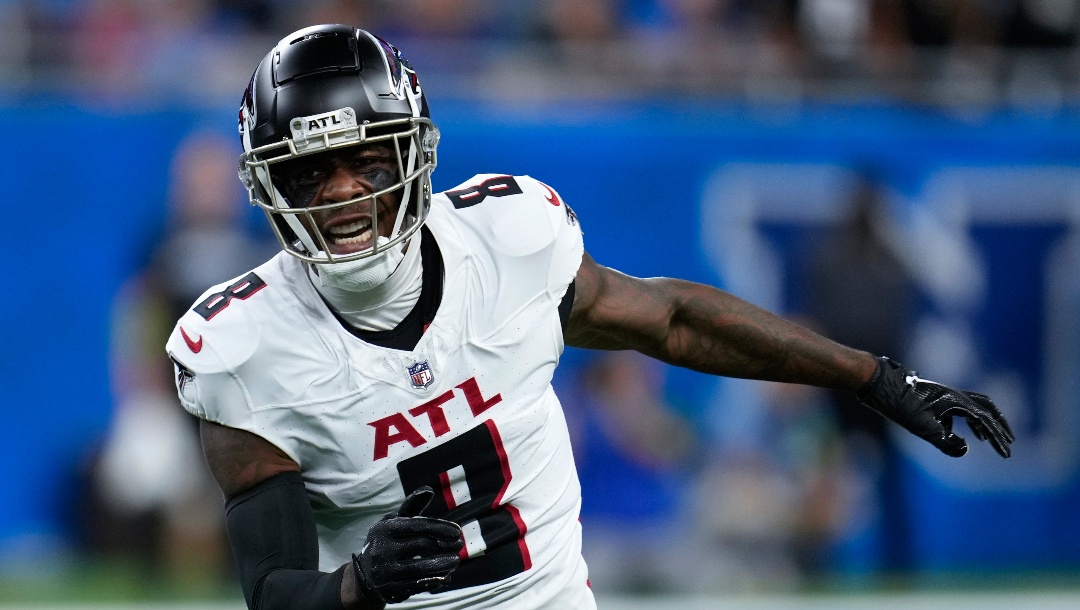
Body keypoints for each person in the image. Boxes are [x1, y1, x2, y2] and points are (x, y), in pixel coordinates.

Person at [165, 24, 1014, 610]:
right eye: (311, 171)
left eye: (362, 158)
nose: (344, 191)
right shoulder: (246, 348)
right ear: (269, 187)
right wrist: (355, 584)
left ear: (411, 150)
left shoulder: (507, 238)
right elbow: (273, 593)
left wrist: (869, 375)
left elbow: (673, 320)